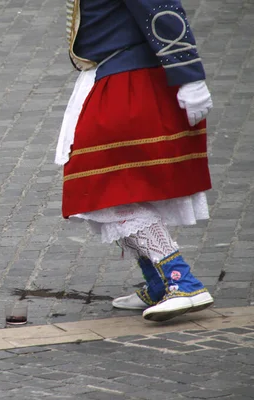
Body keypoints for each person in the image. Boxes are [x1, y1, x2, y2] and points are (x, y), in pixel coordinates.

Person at [57, 0, 214, 321]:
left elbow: (161, 8)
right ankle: (158, 283)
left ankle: (181, 281)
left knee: (103, 189)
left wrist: (189, 74)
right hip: (113, 74)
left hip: (132, 82)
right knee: (116, 188)